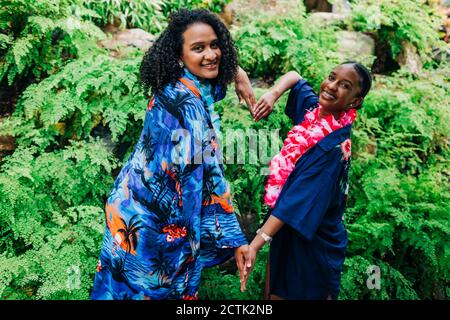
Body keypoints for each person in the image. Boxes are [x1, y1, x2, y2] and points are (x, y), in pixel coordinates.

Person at [91, 9, 255, 300]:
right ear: (179, 56)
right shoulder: (188, 107)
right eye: (198, 48)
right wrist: (236, 238)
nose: (211, 54)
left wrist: (237, 71)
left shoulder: (176, 83)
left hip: (127, 205)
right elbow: (212, 178)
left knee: (115, 291)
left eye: (215, 45)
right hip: (148, 227)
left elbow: (212, 85)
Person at [242, 62, 372, 300]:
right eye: (331, 77)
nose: (332, 86)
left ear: (354, 102)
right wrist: (272, 94)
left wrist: (255, 245)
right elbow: (294, 77)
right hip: (289, 229)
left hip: (313, 243)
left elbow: (294, 201)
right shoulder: (316, 112)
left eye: (344, 85)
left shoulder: (331, 148)